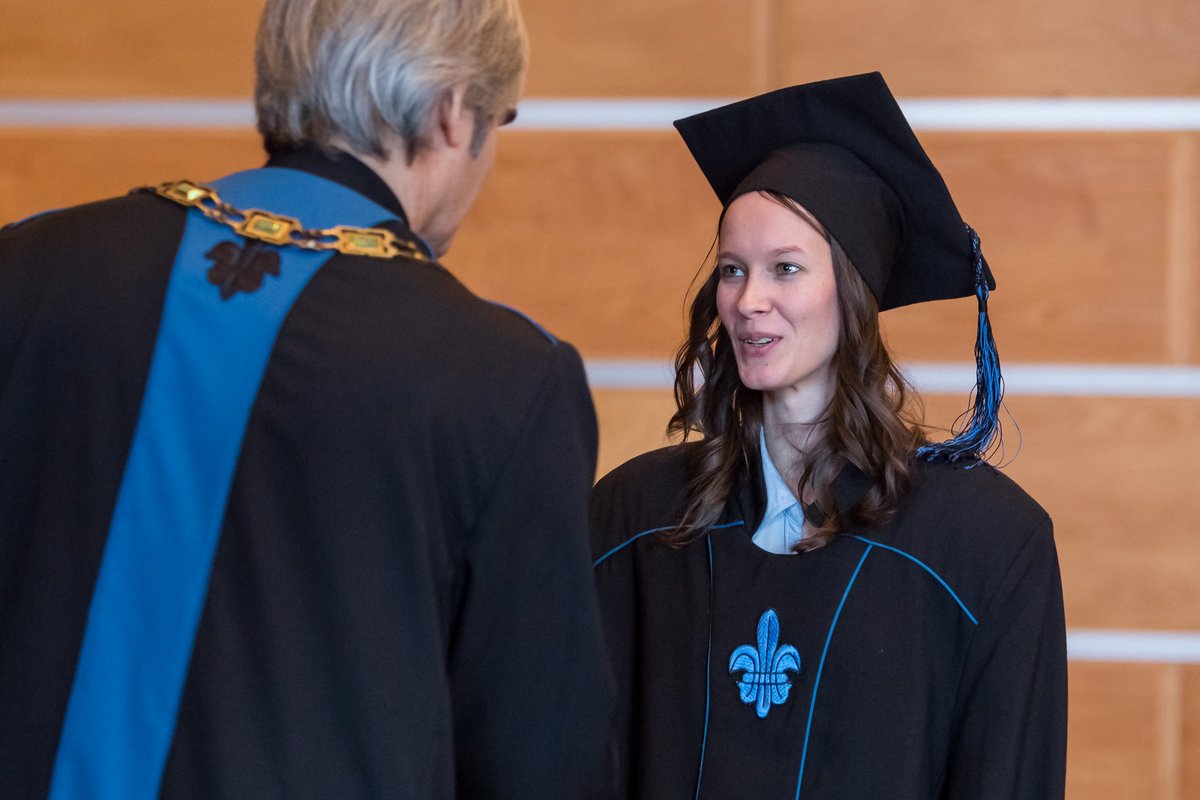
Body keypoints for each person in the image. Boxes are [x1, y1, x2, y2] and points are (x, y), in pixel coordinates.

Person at [0, 0, 615, 798]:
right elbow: (538, 759)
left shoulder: (29, 266)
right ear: (453, 111)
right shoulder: (505, 378)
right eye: (501, 120)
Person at [590, 72, 1067, 799]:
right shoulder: (634, 520)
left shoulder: (984, 546)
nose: (749, 301)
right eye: (732, 270)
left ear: (852, 292)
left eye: (785, 269)